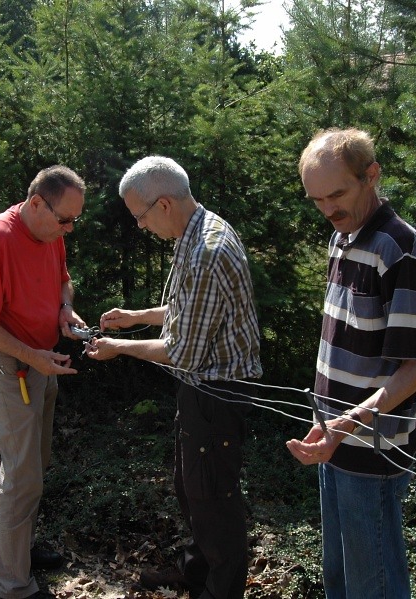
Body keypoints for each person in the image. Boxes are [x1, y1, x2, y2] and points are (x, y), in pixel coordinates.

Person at [85, 156, 263, 599]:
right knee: (190, 488)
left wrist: (119, 348)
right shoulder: (195, 231)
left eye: (140, 216)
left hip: (218, 393)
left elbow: (182, 351)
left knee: (213, 500)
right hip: (201, 390)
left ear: (163, 203)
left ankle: (219, 590)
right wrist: (134, 317)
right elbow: (188, 312)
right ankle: (196, 569)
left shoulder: (207, 250)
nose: (141, 227)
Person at [286, 128, 416, 598]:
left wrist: (348, 424)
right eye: (316, 200)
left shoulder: (400, 248)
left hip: (372, 449)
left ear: (371, 175)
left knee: (374, 584)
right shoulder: (342, 238)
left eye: (337, 194)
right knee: (339, 577)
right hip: (334, 438)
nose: (328, 209)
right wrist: (329, 424)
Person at [0, 165, 87, 599]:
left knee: (38, 463)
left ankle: (22, 551)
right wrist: (32, 356)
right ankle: (13, 584)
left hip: (42, 361)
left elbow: (63, 281)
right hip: (9, 365)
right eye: (64, 219)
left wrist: (64, 310)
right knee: (21, 474)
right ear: (36, 204)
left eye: (75, 220)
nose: (69, 229)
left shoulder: (50, 234)